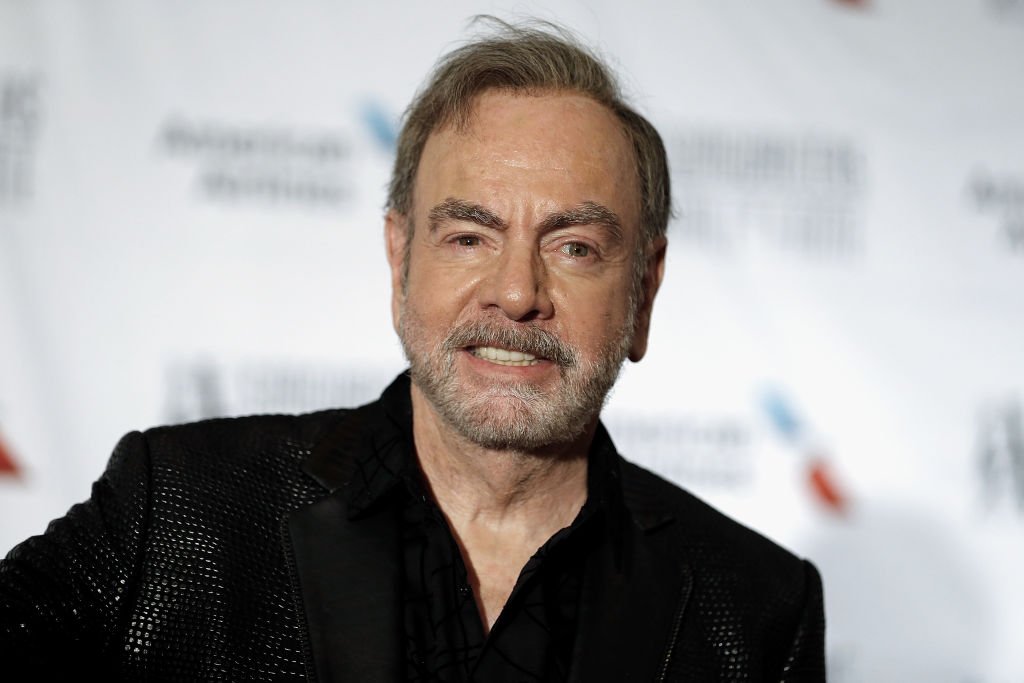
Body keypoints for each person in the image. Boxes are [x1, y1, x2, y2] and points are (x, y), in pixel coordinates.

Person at [0, 16, 826, 682]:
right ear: (400, 261)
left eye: (574, 246)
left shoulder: (754, 610)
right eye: (470, 236)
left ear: (644, 290)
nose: (515, 292)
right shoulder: (173, 510)